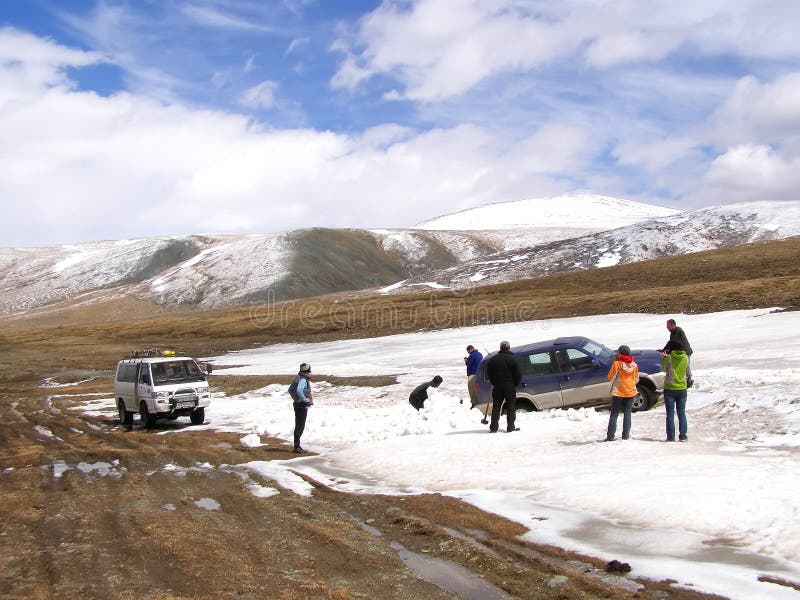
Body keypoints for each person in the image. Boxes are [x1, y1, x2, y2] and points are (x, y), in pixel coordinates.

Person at [486, 341, 521, 433]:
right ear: (509, 348)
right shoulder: (513, 359)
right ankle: (510, 427)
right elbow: (518, 375)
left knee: (496, 407)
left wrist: (494, 382)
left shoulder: (493, 359)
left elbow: (488, 373)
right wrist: (515, 384)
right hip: (509, 386)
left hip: (497, 386)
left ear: (500, 348)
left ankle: (493, 428)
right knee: (511, 407)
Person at [606, 345, 639, 441]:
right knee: (627, 413)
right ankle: (625, 435)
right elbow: (637, 379)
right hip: (631, 391)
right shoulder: (634, 365)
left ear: (620, 353)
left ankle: (610, 436)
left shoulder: (617, 364)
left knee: (614, 414)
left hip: (619, 392)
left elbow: (610, 377)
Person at [661, 341, 689, 442]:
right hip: (682, 387)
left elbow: (663, 369)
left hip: (670, 387)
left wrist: (664, 358)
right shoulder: (685, 357)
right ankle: (683, 435)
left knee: (670, 414)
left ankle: (671, 436)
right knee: (681, 413)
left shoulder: (669, 357)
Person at [288, 363, 313, 453]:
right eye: (309, 371)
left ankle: (297, 445)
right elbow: (299, 390)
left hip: (297, 404)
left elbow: (290, 390)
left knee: (298, 425)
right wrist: (304, 399)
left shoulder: (297, 377)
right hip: (302, 405)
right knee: (300, 426)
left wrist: (296, 399)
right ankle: (297, 447)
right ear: (307, 371)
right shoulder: (303, 379)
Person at [661, 319, 693, 386]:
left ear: (673, 325)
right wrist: (664, 350)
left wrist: (665, 350)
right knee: (682, 366)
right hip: (682, 351)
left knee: (686, 366)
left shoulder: (677, 330)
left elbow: (672, 342)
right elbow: (671, 343)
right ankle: (685, 380)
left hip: (685, 351)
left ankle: (689, 380)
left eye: (668, 325)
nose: (667, 327)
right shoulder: (674, 331)